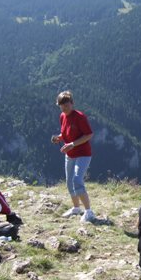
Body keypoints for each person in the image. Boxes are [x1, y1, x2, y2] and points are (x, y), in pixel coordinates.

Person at [50, 90, 95, 223]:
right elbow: (65, 132)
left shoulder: (80, 117)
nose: (65, 108)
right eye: (62, 105)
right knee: (69, 182)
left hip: (83, 154)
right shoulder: (62, 116)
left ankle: (89, 212)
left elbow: (89, 134)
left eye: (67, 105)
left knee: (77, 180)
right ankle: (76, 208)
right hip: (70, 154)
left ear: (72, 103)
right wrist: (59, 138)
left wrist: (72, 144)